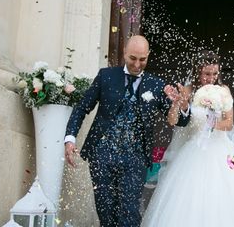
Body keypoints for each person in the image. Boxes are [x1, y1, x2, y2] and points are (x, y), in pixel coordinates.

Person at [141, 51, 234, 227]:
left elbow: (229, 123)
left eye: (215, 73)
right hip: (194, 150)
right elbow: (173, 121)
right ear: (198, 72)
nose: (211, 78)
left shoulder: (223, 91)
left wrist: (210, 123)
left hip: (222, 149)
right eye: (206, 74)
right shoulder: (188, 90)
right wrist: (177, 103)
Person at [64, 35, 190, 227]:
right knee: (105, 211)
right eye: (133, 58)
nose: (137, 64)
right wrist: (70, 138)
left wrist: (180, 104)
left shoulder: (156, 85)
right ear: (124, 52)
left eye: (142, 59)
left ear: (148, 56)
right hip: (102, 153)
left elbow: (179, 121)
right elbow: (82, 108)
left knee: (129, 211)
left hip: (136, 157)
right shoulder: (106, 76)